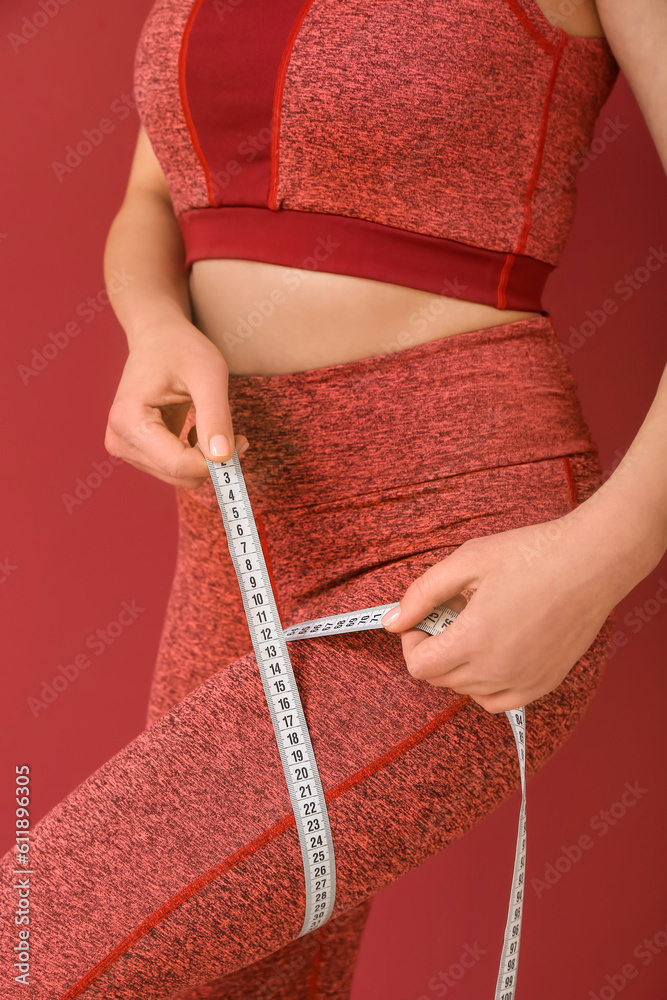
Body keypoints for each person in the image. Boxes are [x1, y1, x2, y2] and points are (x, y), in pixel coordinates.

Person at [2, 1, 666, 998]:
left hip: (449, 539)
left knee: (27, 941)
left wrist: (596, 558)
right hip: (235, 532)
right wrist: (154, 326)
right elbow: (152, 198)